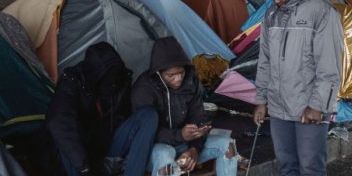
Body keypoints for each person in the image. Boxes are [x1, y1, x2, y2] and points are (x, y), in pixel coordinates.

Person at [253, 0, 344, 176]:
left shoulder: (321, 12)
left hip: (309, 106)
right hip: (278, 107)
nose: (276, 1)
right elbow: (264, 60)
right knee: (287, 166)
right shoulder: (271, 16)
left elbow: (329, 65)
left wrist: (318, 105)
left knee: (311, 167)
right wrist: (260, 99)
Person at [47, 42, 157, 176]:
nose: (111, 82)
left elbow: (124, 116)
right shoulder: (72, 82)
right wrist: (84, 167)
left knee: (148, 116)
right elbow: (58, 121)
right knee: (63, 136)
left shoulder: (121, 79)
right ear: (94, 73)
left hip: (108, 145)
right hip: (82, 155)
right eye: (107, 76)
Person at [132, 37, 238, 176]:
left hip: (185, 146)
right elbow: (143, 133)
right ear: (159, 73)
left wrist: (195, 149)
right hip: (155, 149)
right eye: (171, 75)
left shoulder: (190, 79)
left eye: (180, 73)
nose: (178, 78)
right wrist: (180, 135)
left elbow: (198, 116)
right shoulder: (144, 89)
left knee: (228, 145)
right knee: (165, 155)